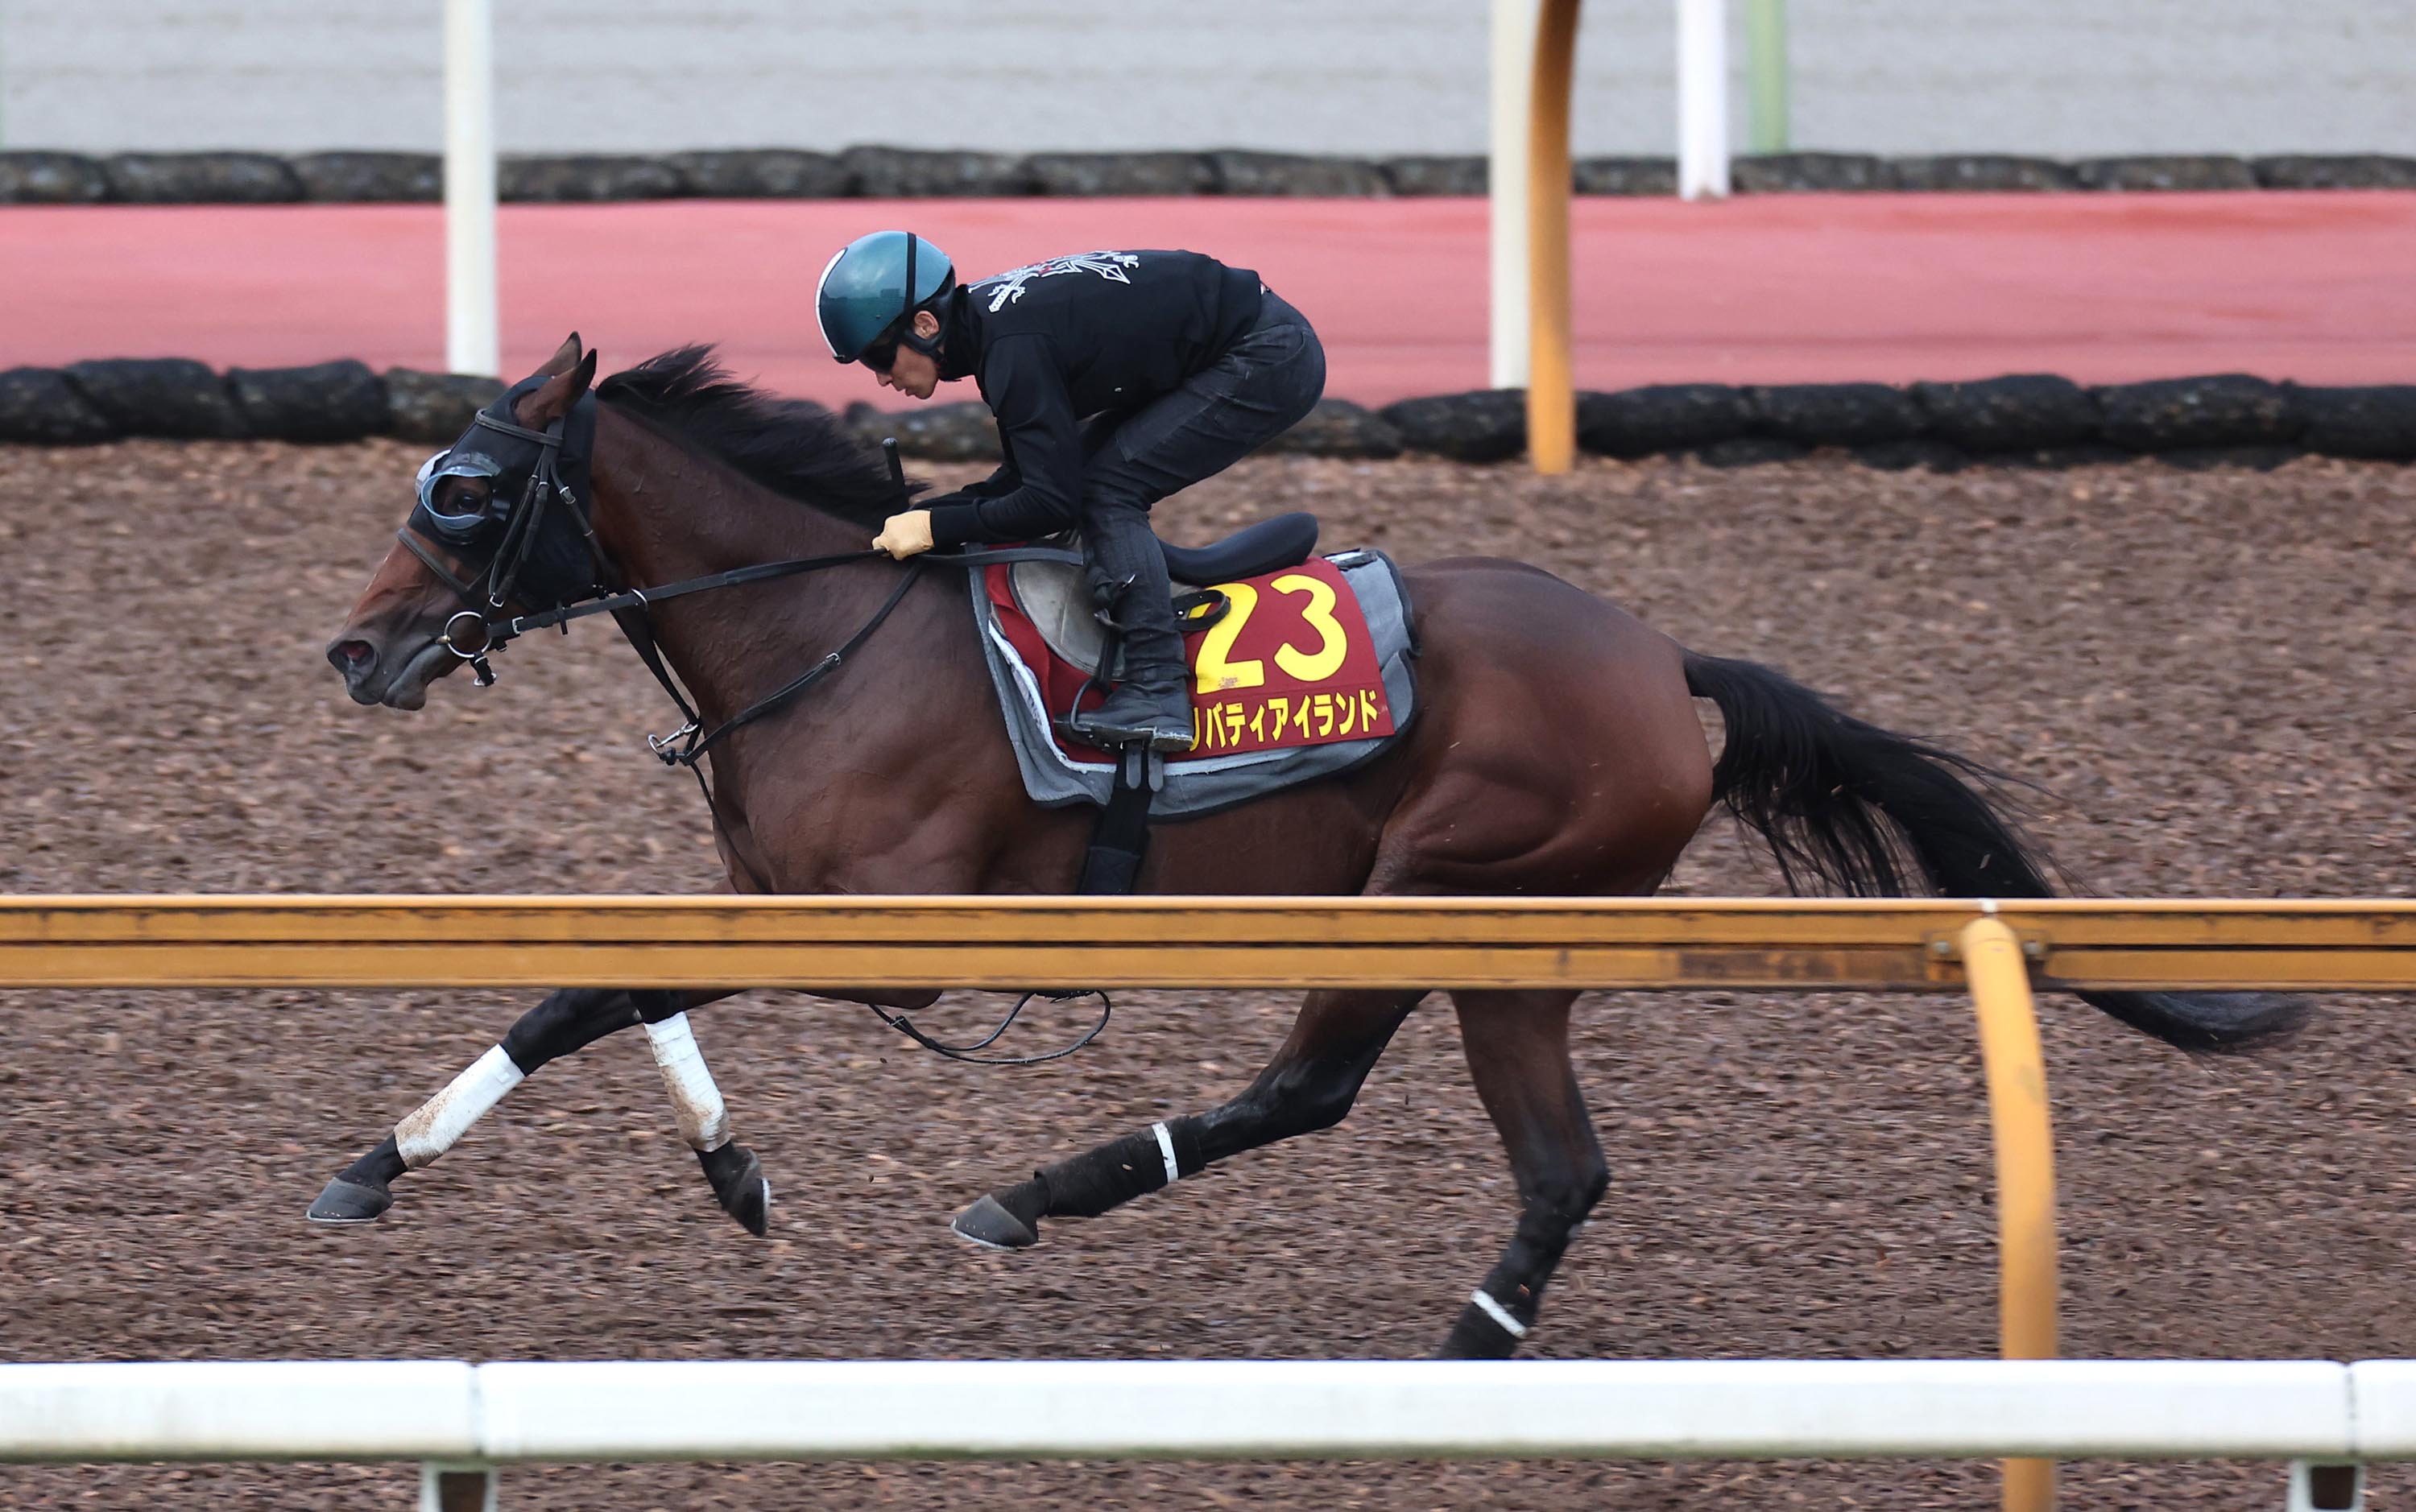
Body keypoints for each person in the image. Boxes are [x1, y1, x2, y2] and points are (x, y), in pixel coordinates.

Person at [817, 231, 1326, 752]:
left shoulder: (1013, 351)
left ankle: (1158, 690)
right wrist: (927, 517)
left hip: (1268, 355)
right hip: (1234, 340)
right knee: (1086, 475)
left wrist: (934, 527)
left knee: (1107, 488)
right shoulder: (994, 331)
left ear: (925, 325)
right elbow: (1024, 480)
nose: (880, 381)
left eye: (877, 359)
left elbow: (1047, 504)